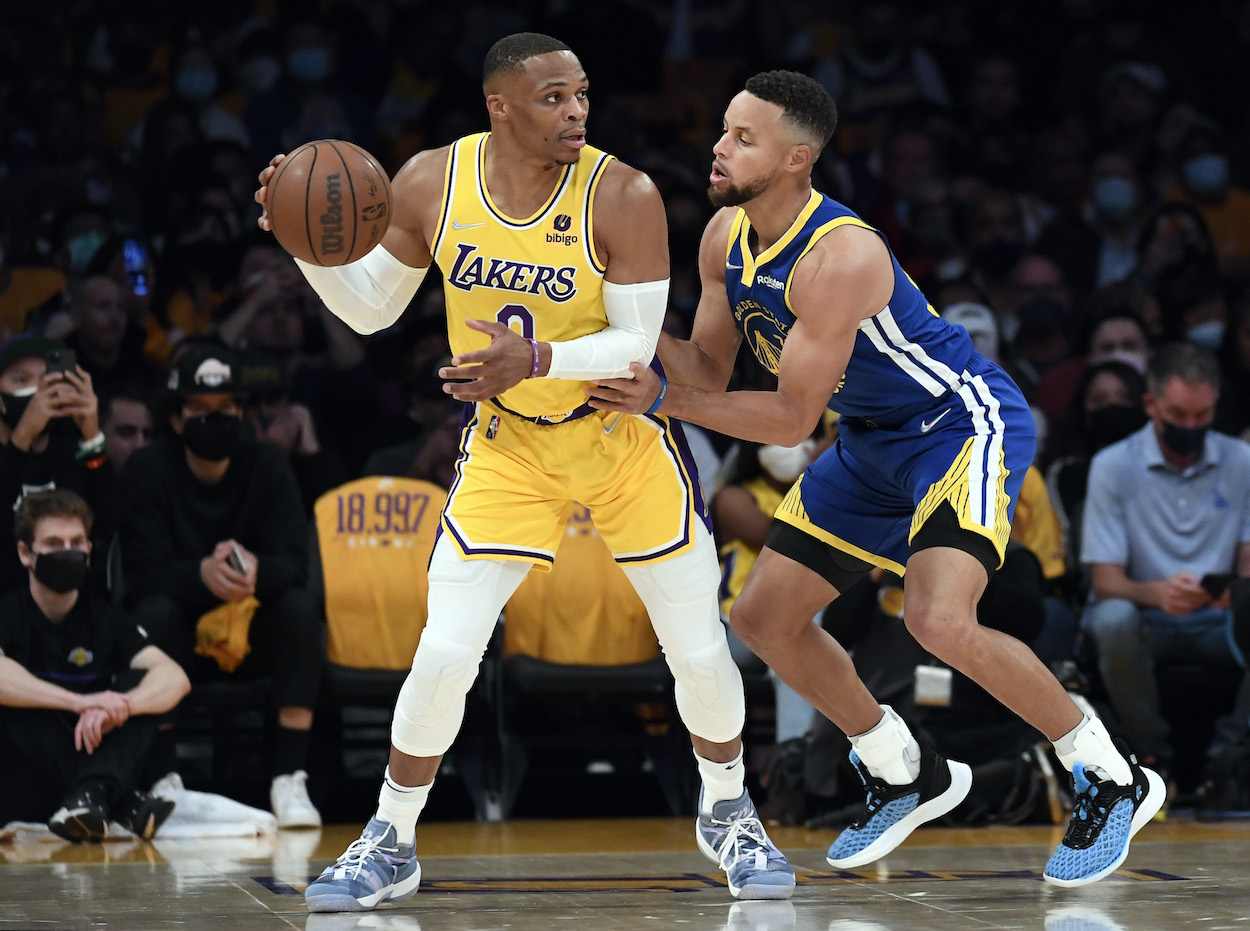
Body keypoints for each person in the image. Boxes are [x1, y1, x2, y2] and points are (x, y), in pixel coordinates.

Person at [255, 33, 794, 911]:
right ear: (498, 105)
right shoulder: (432, 180)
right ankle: (391, 836)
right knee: (444, 650)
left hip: (621, 433)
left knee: (696, 645)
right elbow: (372, 310)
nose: (576, 110)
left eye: (581, 93)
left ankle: (729, 811)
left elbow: (633, 346)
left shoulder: (626, 194)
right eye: (552, 97)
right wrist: (300, 239)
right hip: (512, 444)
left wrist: (536, 357)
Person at [587, 70, 1164, 887]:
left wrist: (661, 399)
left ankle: (1107, 773)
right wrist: (611, 322)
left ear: (795, 159)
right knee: (762, 615)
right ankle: (902, 765)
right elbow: (712, 371)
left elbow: (788, 420)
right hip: (869, 437)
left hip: (957, 427)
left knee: (938, 618)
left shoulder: (843, 256)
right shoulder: (724, 237)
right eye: (723, 129)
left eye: (742, 138)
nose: (718, 147)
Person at [116, 343, 324, 829]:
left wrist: (256, 572)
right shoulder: (147, 471)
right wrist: (200, 576)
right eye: (200, 410)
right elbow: (141, 574)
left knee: (299, 609)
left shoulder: (269, 463)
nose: (215, 419)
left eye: (226, 409)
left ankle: (290, 777)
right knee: (154, 615)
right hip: (181, 634)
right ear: (176, 419)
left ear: (241, 412)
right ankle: (163, 777)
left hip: (251, 627)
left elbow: (294, 563)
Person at [1080, 342, 1250, 794]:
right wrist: (1159, 593)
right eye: (1179, 414)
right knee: (1111, 618)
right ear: (1151, 404)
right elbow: (1105, 582)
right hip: (1147, 619)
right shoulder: (1112, 466)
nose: (1191, 426)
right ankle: (1153, 758)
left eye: (1202, 415)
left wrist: (1224, 594)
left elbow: (1248, 574)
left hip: (1220, 621)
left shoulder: (1242, 461)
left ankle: (1228, 757)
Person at [0, 489, 189, 841]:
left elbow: (175, 678)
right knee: (16, 702)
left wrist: (121, 706)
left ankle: (92, 795)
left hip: (91, 747)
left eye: (76, 542)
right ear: (25, 553)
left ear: (89, 550)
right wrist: (79, 702)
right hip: (23, 777)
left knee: (143, 685)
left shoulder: (108, 618)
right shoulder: (9, 613)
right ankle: (117, 799)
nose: (67, 552)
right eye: (54, 543)